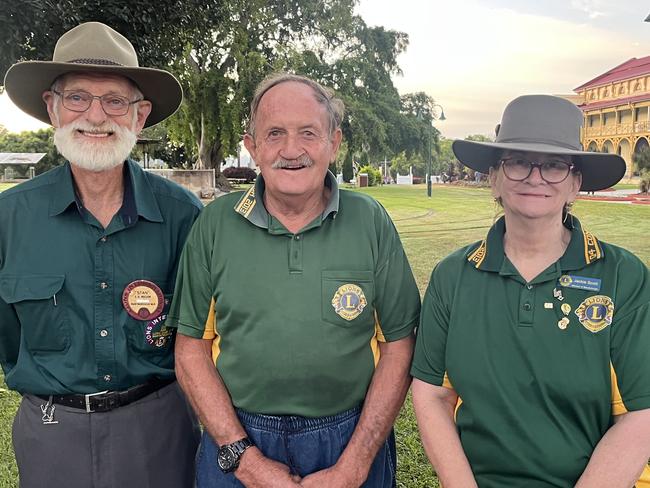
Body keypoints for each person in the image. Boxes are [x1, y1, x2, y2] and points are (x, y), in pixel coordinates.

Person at [167, 73, 421, 487]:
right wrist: (244, 459)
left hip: (348, 436)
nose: (291, 150)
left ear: (334, 143)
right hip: (237, 436)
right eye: (274, 134)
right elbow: (190, 351)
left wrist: (356, 462)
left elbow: (399, 345)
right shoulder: (215, 224)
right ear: (252, 146)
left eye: (308, 133)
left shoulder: (370, 221)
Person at [411, 94, 650, 488]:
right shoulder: (452, 276)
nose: (534, 177)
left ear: (576, 184)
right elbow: (432, 395)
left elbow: (640, 414)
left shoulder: (623, 276)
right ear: (495, 178)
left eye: (554, 165)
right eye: (518, 161)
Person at [0, 22, 202, 488]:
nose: (96, 115)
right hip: (51, 433)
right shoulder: (10, 218)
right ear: (52, 107)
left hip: (160, 428)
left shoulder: (182, 216)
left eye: (114, 100)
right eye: (77, 98)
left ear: (139, 114)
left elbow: (202, 330)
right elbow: (8, 338)